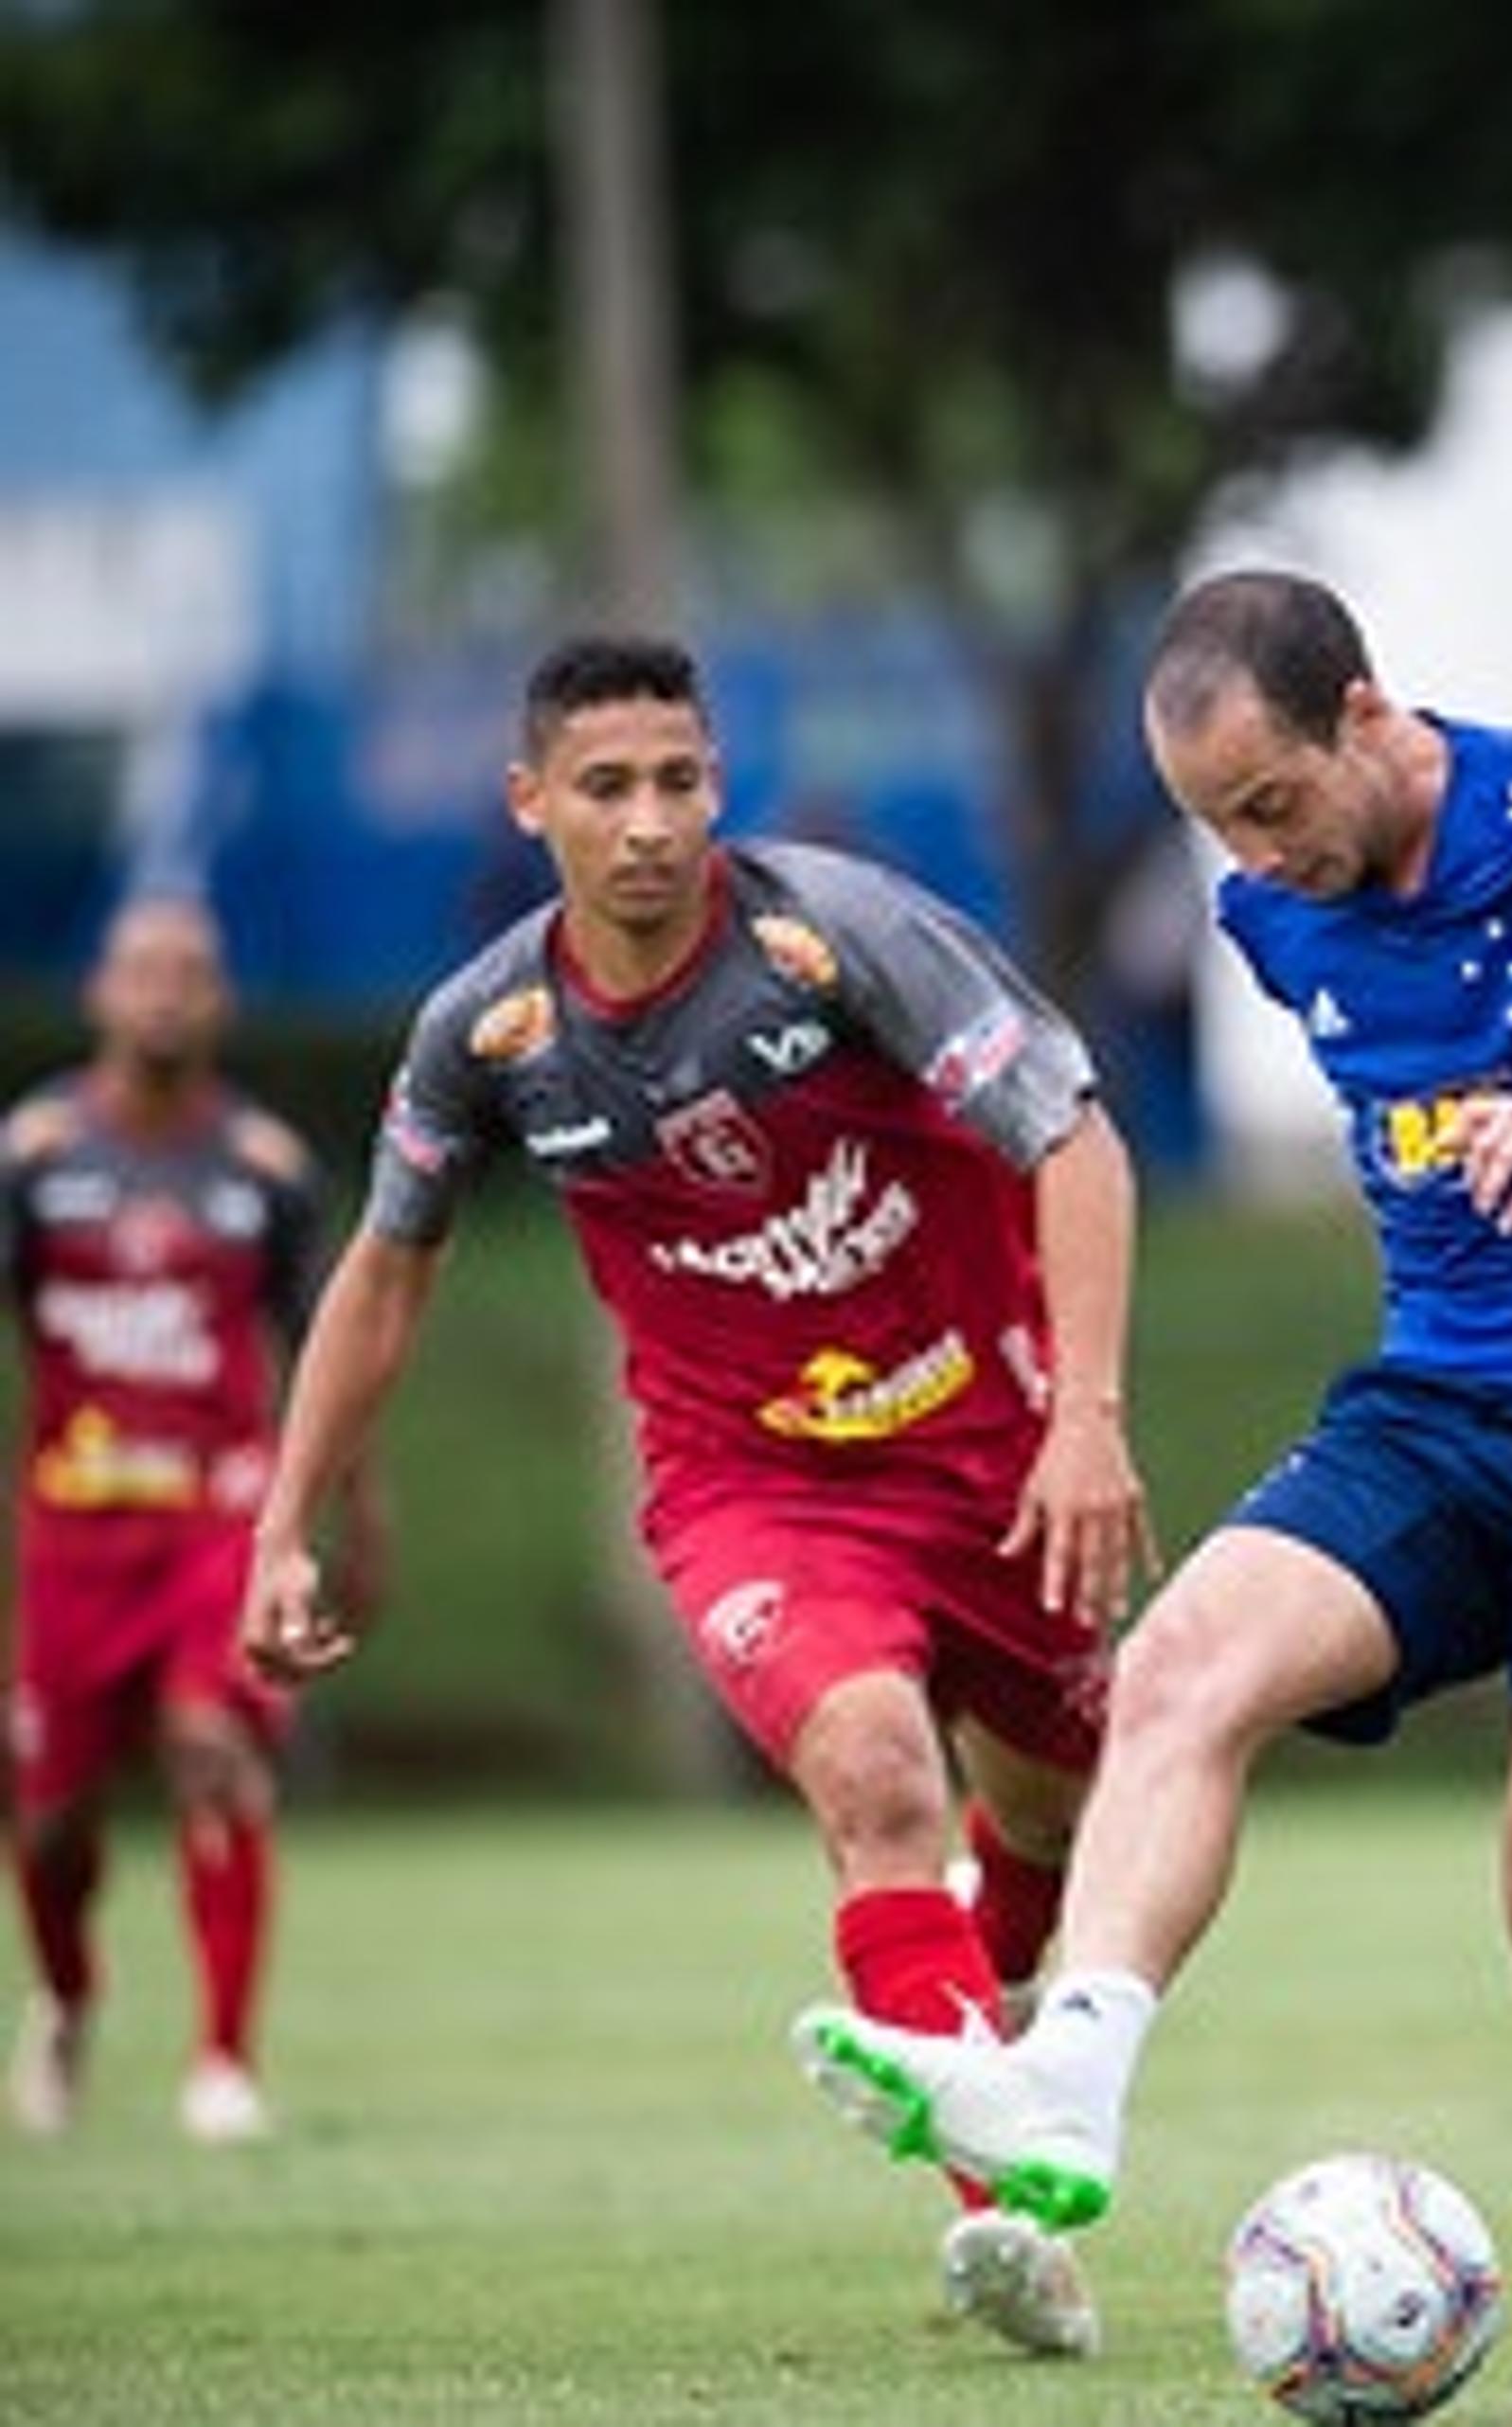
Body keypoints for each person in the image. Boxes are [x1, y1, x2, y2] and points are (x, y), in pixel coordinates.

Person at [789, 567, 1512, 2414]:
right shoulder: (1274, 916)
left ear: (1367, 716)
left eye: (1275, 803)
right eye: (1217, 822)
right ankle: (1076, 2069)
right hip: (1441, 1404)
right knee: (1182, 1662)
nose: (1254, 856)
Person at [239, 635, 1152, 2358]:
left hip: (989, 1452)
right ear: (532, 805)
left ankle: (988, 2015)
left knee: (1043, 1819)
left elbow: (1074, 1136)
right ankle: (1015, 2224)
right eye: (605, 787)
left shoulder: (841, 937)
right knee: (879, 1776)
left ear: (715, 782)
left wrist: (1086, 1418)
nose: (648, 821)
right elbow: (383, 1271)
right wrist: (286, 1515)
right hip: (755, 1494)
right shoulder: (491, 1032)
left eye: (677, 780)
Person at [5, 895, 383, 2144]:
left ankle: (224, 2057)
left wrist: (356, 1512)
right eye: (142, 970)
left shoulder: (264, 1169)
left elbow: (328, 1343)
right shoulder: (37, 1154)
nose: (165, 992)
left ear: (218, 1000)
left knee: (211, 1744)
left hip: (218, 1511)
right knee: (49, 1820)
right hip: (74, 1526)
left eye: (190, 973)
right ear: (102, 992)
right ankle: (67, 1995)